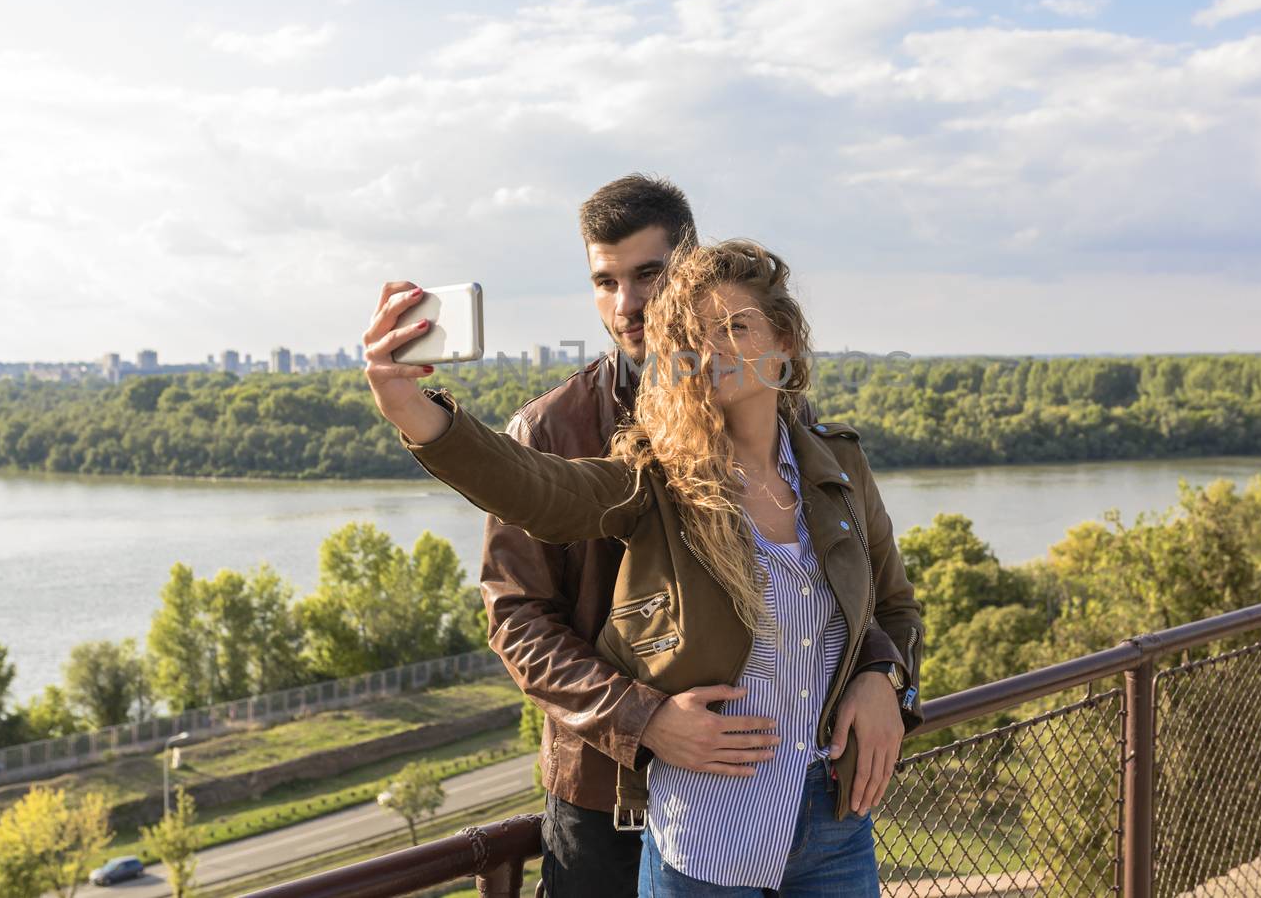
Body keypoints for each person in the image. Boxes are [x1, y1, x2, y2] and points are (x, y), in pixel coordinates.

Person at [364, 239, 923, 896]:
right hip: (710, 839)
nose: (713, 350)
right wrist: (415, 413)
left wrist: (887, 680)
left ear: (786, 340)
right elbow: (535, 488)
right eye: (693, 336)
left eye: (735, 327)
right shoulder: (654, 483)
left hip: (837, 827)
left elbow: (895, 608)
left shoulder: (840, 469)